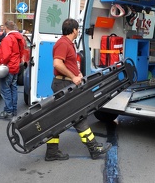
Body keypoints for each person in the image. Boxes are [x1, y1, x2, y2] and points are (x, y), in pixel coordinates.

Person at [44, 18, 111, 161]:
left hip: (64, 84)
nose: (78, 31)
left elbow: (68, 63)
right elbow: (57, 63)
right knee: (78, 115)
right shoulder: (63, 43)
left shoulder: (68, 43)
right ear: (74, 30)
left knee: (58, 119)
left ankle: (52, 152)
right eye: (77, 29)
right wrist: (73, 77)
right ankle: (93, 148)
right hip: (63, 85)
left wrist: (77, 74)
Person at [0, 20, 25, 118]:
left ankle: (8, 111)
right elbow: (20, 52)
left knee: (5, 90)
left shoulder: (8, 39)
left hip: (8, 67)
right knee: (13, 88)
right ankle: (14, 110)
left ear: (6, 28)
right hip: (15, 66)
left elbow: (5, 55)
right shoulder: (19, 38)